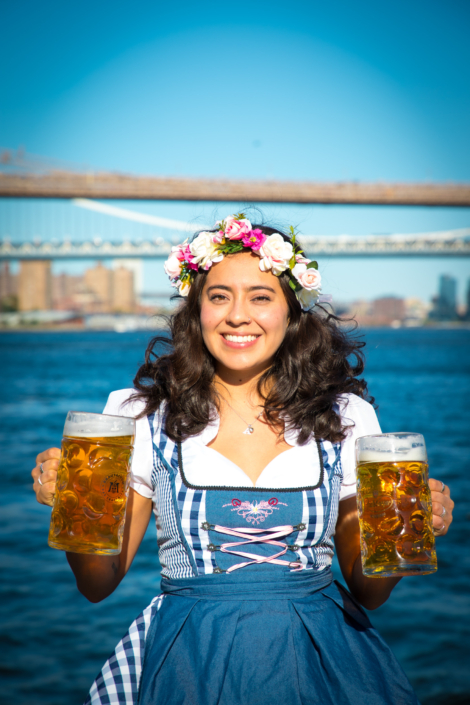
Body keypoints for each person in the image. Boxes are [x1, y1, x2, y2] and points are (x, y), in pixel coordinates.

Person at [32, 214, 454, 705]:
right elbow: (96, 585)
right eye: (219, 296)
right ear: (197, 311)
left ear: (292, 313)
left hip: (324, 659)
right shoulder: (142, 417)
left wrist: (405, 526)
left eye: (260, 296)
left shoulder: (345, 416)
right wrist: (77, 506)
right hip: (190, 659)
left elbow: (370, 592)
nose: (238, 315)